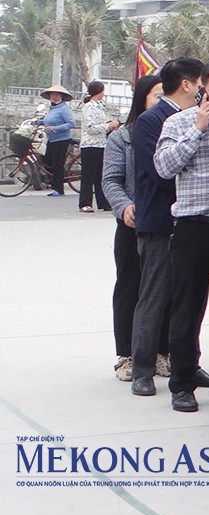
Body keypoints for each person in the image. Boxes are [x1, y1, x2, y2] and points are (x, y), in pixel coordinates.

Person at [154, 59, 209, 414]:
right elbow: (164, 168)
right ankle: (182, 384)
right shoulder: (177, 121)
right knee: (187, 310)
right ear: (202, 86)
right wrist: (198, 127)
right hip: (191, 228)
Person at [127, 58, 200, 399]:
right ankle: (142, 369)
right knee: (154, 297)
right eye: (200, 83)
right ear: (187, 84)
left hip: (190, 222)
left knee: (188, 300)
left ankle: (186, 361)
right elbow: (160, 173)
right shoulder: (150, 121)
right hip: (159, 222)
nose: (202, 90)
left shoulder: (200, 117)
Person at [103, 75, 164, 383]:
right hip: (132, 224)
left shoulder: (178, 132)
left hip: (167, 223)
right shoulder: (121, 138)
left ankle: (161, 351)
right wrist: (124, 206)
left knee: (168, 289)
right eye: (157, 95)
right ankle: (127, 354)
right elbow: (111, 180)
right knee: (130, 286)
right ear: (142, 99)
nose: (164, 100)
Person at [79, 80, 118, 213]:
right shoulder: (88, 107)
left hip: (101, 144)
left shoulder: (100, 106)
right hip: (90, 144)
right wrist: (108, 126)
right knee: (88, 176)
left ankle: (103, 202)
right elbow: (90, 128)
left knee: (100, 175)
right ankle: (85, 203)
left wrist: (110, 125)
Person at [40, 84, 75, 196]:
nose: (54, 96)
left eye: (56, 94)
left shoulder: (64, 109)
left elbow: (71, 123)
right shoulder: (52, 108)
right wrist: (38, 122)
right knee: (47, 161)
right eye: (52, 94)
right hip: (52, 139)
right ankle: (53, 184)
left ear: (61, 96)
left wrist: (54, 128)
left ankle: (59, 189)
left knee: (57, 164)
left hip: (62, 140)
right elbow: (48, 120)